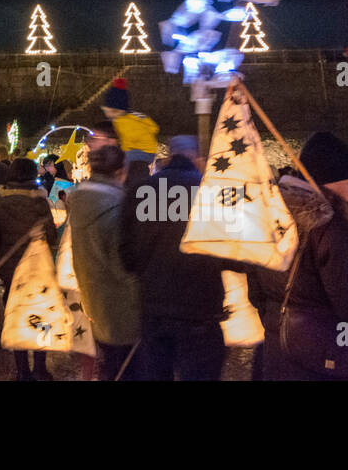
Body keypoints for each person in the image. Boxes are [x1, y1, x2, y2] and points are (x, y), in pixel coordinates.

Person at [265, 132, 348, 380]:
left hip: (280, 346)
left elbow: (256, 290)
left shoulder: (269, 214)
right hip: (324, 353)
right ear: (327, 182)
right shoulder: (329, 224)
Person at [121, 134, 229, 380]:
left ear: (170, 157)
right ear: (197, 158)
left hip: (153, 308)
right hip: (200, 309)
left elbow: (126, 255)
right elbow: (229, 254)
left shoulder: (140, 191)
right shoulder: (210, 191)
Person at [66, 127, 142, 380]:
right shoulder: (120, 204)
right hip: (122, 300)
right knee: (126, 367)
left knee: (108, 360)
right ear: (121, 172)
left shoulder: (78, 200)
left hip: (93, 295)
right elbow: (124, 259)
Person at [0, 156, 58, 379]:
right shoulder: (38, 200)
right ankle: (40, 369)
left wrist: (2, 249)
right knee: (41, 315)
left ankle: (22, 370)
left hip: (11, 270)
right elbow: (51, 236)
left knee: (16, 316)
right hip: (38, 268)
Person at [99, 77, 159, 171]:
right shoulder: (133, 116)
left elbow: (128, 140)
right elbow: (154, 127)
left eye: (106, 110)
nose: (106, 113)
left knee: (118, 160)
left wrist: (119, 148)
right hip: (149, 150)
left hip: (142, 152)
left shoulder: (123, 123)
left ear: (115, 110)